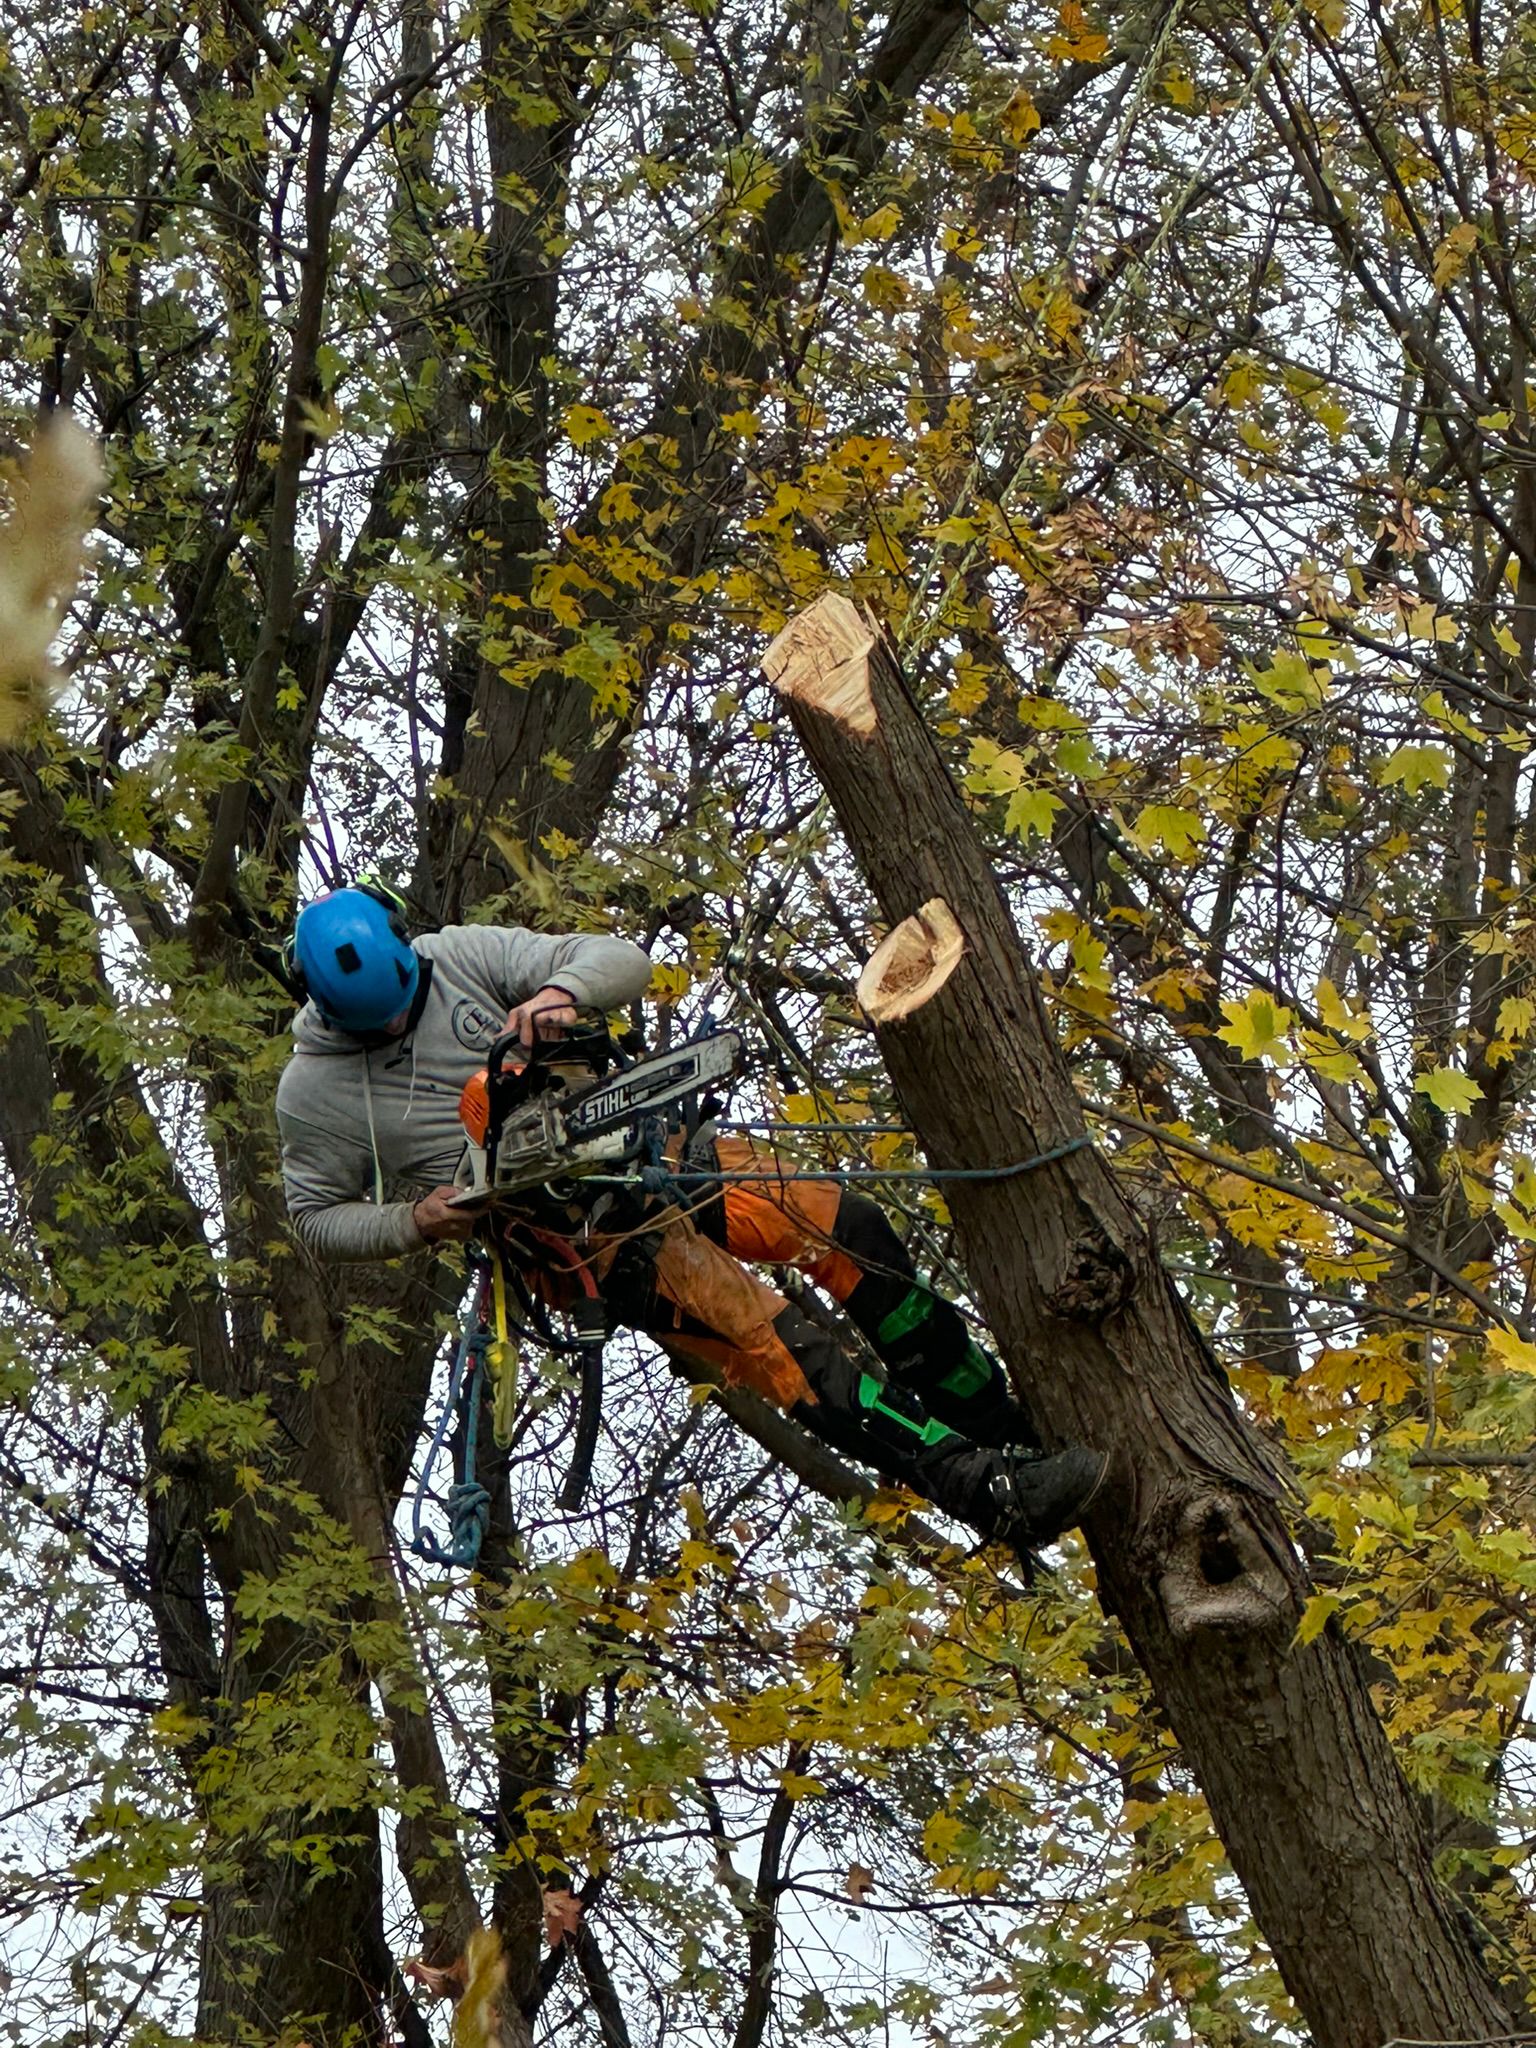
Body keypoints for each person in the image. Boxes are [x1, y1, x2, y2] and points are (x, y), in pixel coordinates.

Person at [275, 883, 1106, 1554]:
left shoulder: (454, 956)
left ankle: (999, 1419)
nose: (395, 1024)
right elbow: (313, 1217)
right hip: (583, 1242)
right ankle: (988, 1492)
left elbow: (618, 959)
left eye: (400, 1006)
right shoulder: (314, 1093)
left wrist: (562, 994)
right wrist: (414, 1222)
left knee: (845, 1226)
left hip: (645, 1146)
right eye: (374, 1024)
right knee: (785, 1347)